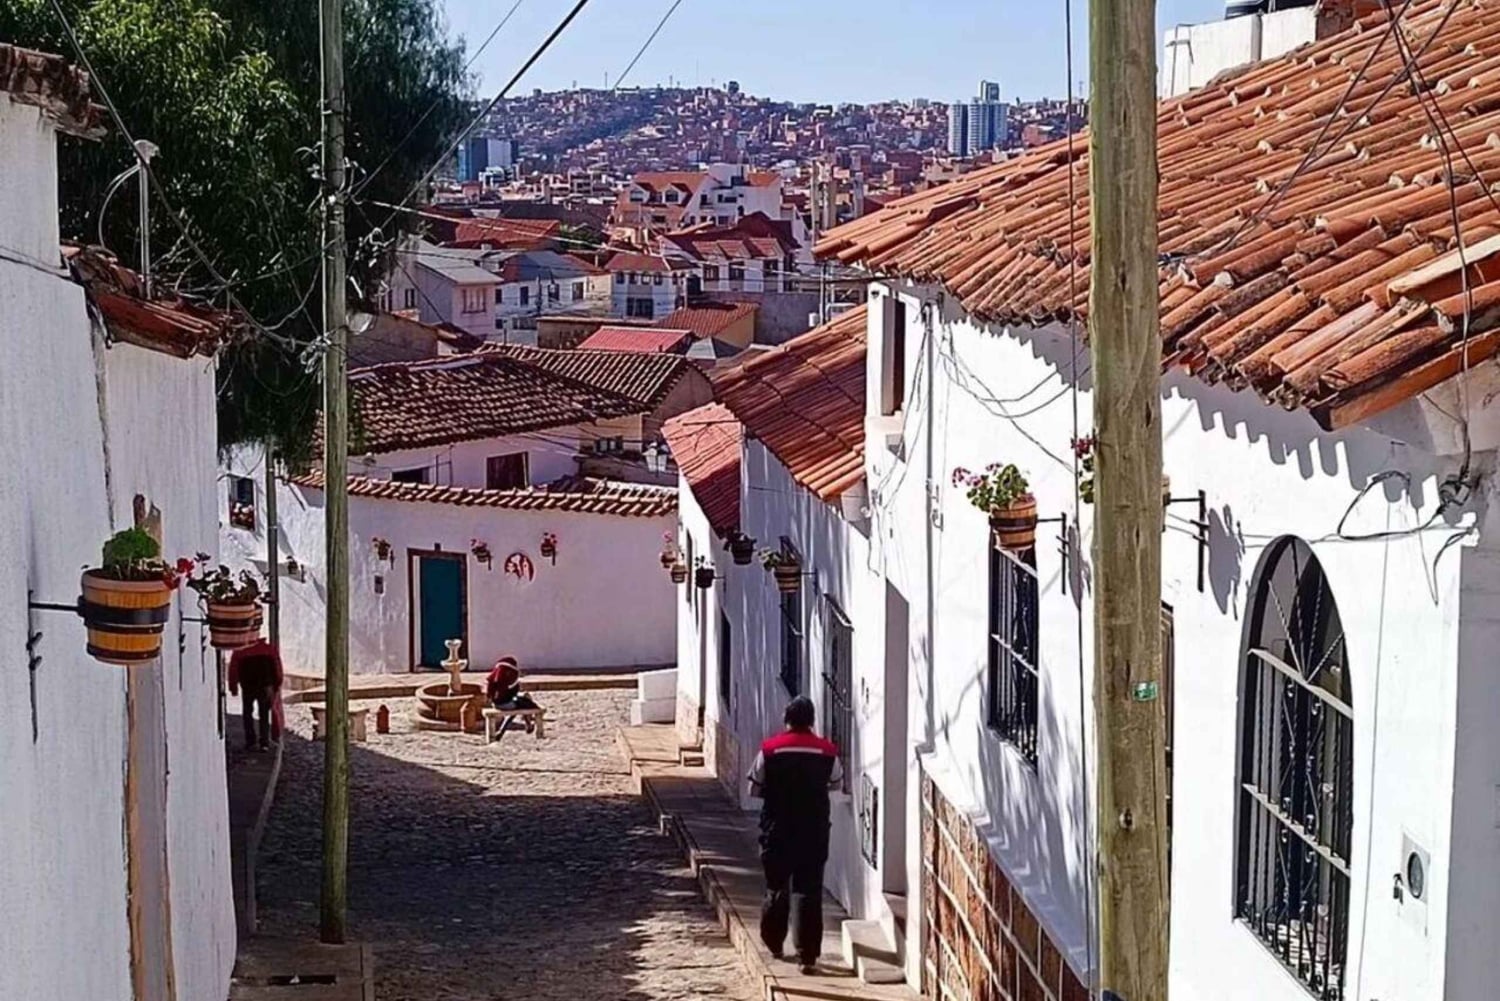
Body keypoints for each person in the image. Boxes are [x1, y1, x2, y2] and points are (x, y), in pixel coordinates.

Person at [747, 695, 843, 975]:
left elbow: (754, 788)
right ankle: (807, 955)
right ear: (812, 721)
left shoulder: (770, 750)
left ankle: (774, 942)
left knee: (777, 886)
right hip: (813, 830)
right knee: (808, 891)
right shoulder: (827, 752)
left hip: (777, 830)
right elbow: (835, 784)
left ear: (786, 720)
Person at [228, 635, 284, 752]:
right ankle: (264, 743)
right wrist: (277, 685)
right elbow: (277, 667)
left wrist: (233, 687)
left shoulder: (240, 650)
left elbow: (233, 668)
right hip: (265, 686)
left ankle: (250, 741)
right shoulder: (269, 649)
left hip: (248, 686)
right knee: (264, 714)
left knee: (247, 713)